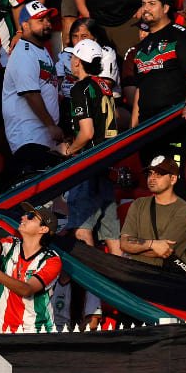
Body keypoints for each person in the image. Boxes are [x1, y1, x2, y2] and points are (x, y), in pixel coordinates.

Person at [131, 0, 186, 179]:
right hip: (147, 124)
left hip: (174, 120)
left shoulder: (182, 36)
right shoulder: (142, 46)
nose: (146, 8)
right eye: (144, 3)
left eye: (152, 4)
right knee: (152, 180)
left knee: (171, 178)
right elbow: (141, 88)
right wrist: (134, 127)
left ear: (165, 8)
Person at [62, 38, 121, 254]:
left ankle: (92, 285)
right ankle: (118, 283)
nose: (71, 60)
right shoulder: (104, 85)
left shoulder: (81, 88)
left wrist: (70, 150)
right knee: (111, 234)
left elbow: (87, 133)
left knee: (81, 228)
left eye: (72, 56)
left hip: (89, 162)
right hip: (108, 161)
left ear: (78, 61)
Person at [0, 203, 61, 333]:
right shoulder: (11, 244)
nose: (23, 217)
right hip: (3, 330)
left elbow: (27, 290)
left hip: (36, 332)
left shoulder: (51, 260)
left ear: (43, 229)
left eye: (31, 216)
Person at [1, 1, 61, 159]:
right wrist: (51, 125)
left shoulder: (40, 49)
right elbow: (30, 94)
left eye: (48, 19)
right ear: (25, 25)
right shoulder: (24, 53)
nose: (47, 24)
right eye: (40, 21)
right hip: (28, 137)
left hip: (42, 135)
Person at [120, 156, 186, 270]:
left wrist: (133, 249)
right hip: (135, 271)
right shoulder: (138, 204)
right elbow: (124, 243)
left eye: (159, 174)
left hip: (165, 275)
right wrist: (152, 244)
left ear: (173, 179)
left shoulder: (184, 210)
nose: (152, 178)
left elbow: (163, 251)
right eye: (150, 173)